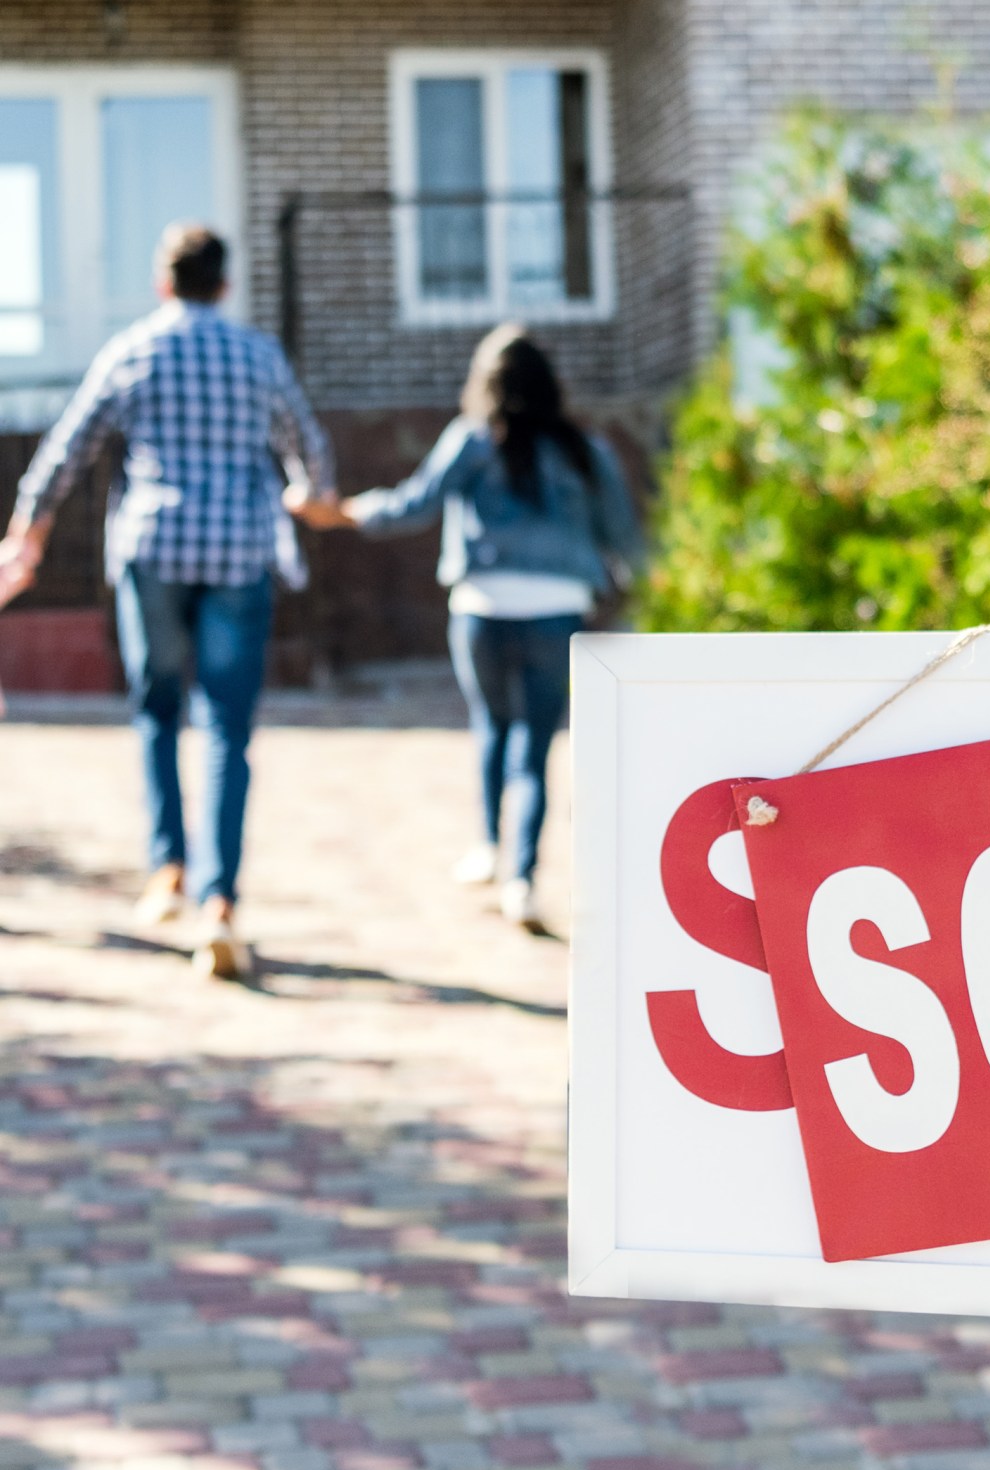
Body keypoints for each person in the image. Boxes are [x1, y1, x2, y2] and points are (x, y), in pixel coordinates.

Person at [0, 223, 332, 978]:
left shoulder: (134, 348)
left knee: (157, 710)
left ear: (163, 283)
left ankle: (168, 871)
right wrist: (316, 496)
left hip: (153, 550)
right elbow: (307, 446)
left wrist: (29, 530)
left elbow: (68, 445)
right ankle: (221, 903)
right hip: (239, 554)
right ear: (224, 283)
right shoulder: (258, 354)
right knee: (227, 726)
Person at [289, 325, 642, 931]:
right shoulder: (586, 450)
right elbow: (628, 540)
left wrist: (345, 511)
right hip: (557, 611)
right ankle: (523, 882)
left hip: (481, 608)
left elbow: (414, 503)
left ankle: (486, 846)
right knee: (535, 747)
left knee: (491, 725)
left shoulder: (473, 440)